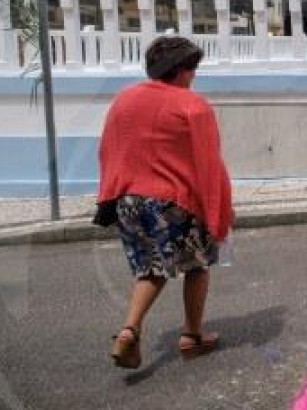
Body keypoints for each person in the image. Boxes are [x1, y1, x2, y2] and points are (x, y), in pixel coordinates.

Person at [97, 36, 234, 369]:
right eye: (192, 69)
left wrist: (109, 197)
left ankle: (129, 330)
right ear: (181, 70)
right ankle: (192, 335)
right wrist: (220, 213)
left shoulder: (123, 101)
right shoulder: (192, 105)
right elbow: (208, 163)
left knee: (151, 268)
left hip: (128, 200)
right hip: (173, 202)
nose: (194, 76)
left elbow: (108, 151)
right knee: (197, 265)